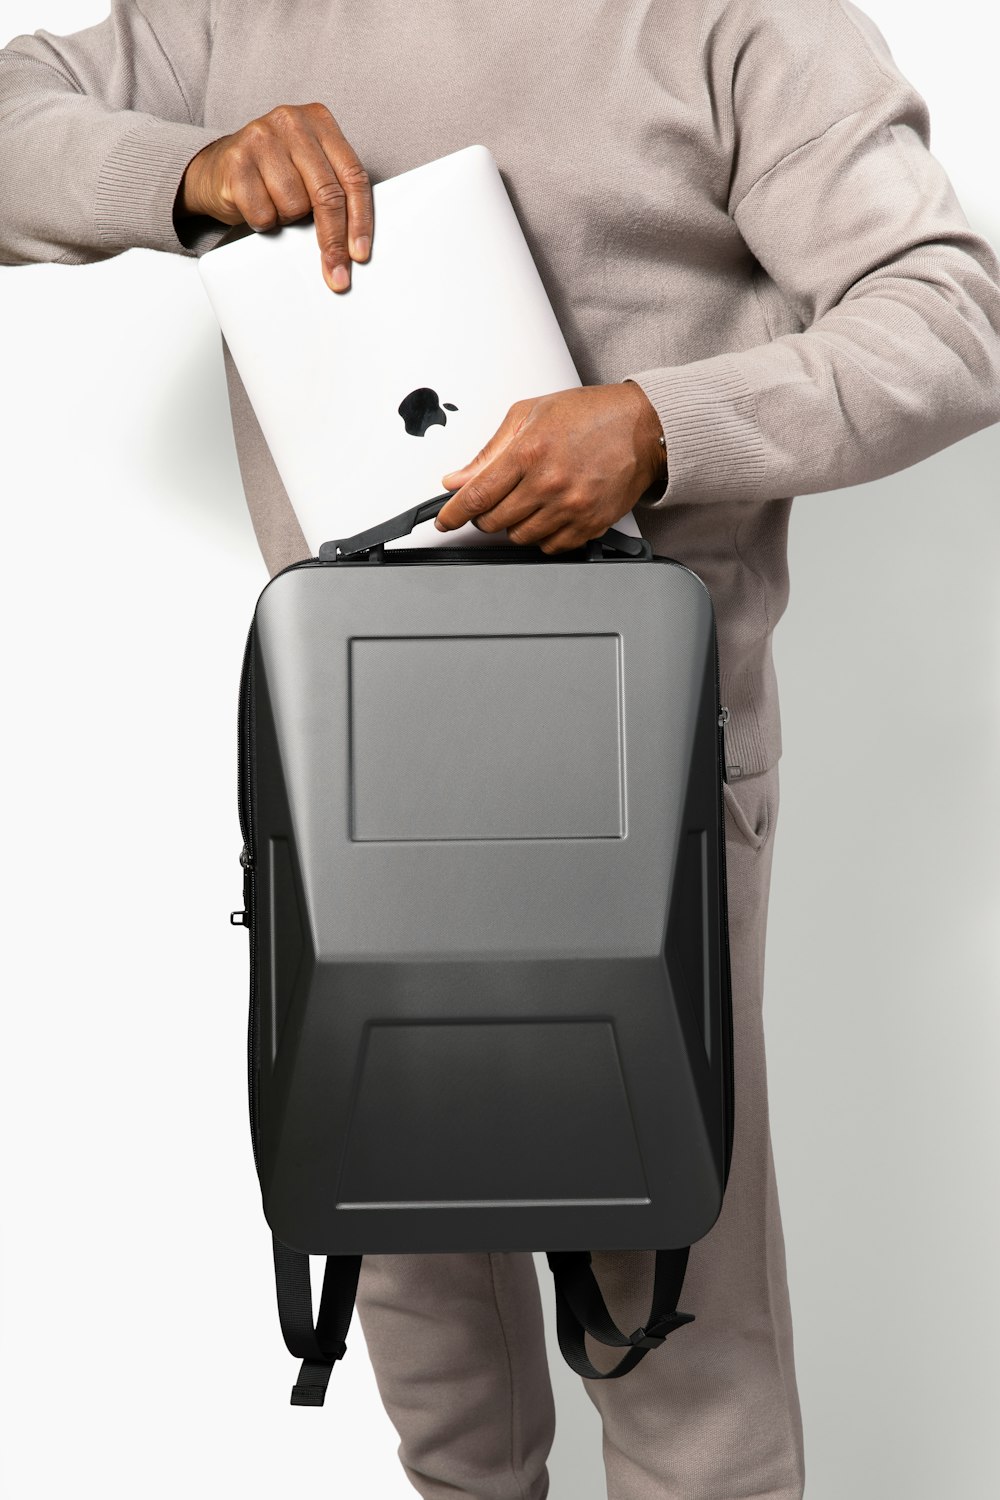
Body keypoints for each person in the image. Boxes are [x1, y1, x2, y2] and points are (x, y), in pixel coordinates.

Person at [2, 3, 998, 1496]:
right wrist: (188, 166)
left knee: (675, 1326)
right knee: (424, 1332)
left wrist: (660, 425)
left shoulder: (741, 21)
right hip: (354, 757)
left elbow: (948, 319)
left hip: (642, 760)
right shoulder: (238, 12)